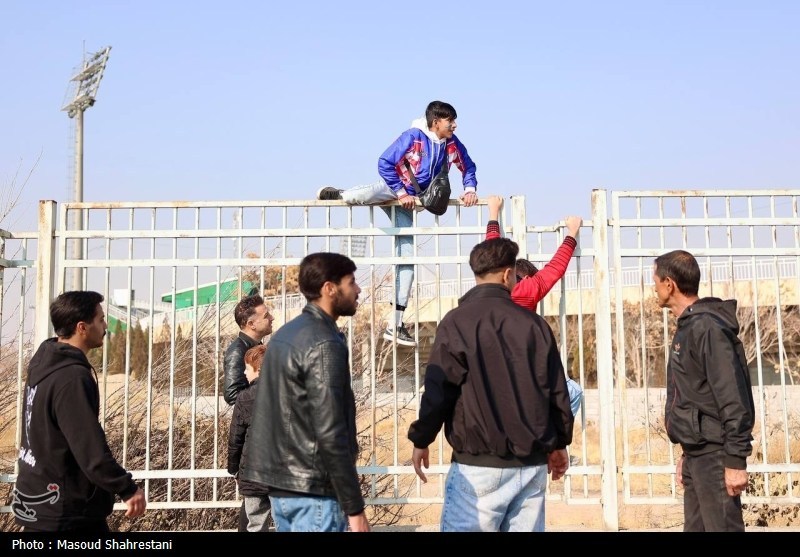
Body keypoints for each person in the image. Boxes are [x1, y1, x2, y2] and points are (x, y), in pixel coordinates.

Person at [407, 238, 574, 531]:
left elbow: (439, 389)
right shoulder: (535, 326)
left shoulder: (456, 322)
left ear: (476, 273)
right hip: (531, 465)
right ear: (508, 274)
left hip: (478, 465)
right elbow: (556, 391)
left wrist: (422, 439)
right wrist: (559, 443)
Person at [316, 100, 478, 348]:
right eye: (450, 121)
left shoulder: (451, 143)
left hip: (409, 202)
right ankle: (338, 193)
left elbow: (468, 165)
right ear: (436, 122)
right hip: (395, 189)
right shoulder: (413, 137)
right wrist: (400, 192)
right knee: (356, 197)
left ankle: (395, 324)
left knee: (407, 258)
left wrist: (469, 189)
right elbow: (385, 162)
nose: (454, 125)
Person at [242, 252, 370, 532]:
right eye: (351, 282)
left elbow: (267, 416)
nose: (358, 289)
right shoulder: (324, 342)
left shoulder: (284, 335)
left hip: (282, 490)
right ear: (329, 288)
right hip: (315, 492)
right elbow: (330, 428)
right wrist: (354, 507)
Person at [12, 291, 146, 532]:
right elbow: (89, 448)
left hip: (40, 502)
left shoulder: (44, 364)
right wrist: (127, 488)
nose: (105, 326)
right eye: (101, 320)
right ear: (82, 327)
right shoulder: (71, 377)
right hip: (66, 513)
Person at [653, 249, 755, 532]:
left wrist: (735, 460)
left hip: (716, 456)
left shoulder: (708, 328)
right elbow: (695, 396)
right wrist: (687, 452)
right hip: (697, 454)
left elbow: (733, 397)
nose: (654, 288)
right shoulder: (689, 326)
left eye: (655, 281)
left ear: (669, 284)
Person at [484, 195, 584, 416]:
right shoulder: (529, 289)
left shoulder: (497, 286)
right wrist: (572, 233)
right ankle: (555, 434)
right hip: (527, 361)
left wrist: (493, 212)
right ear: (528, 276)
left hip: (494, 362)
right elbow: (556, 267)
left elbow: (492, 248)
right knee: (573, 391)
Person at [227, 344, 272, 532]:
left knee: (255, 524)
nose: (244, 373)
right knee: (286, 522)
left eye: (247, 368)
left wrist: (234, 469)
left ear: (258, 369)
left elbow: (235, 439)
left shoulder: (245, 397)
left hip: (253, 473)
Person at [223, 294, 274, 406]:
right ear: (251, 324)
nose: (272, 318)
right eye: (266, 316)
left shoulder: (256, 346)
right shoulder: (237, 351)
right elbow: (232, 395)